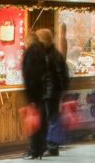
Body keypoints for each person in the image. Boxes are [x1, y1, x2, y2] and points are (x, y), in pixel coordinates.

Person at [22, 29, 70, 158]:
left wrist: (54, 90)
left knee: (51, 119)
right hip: (51, 92)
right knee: (50, 119)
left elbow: (56, 75)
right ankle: (49, 146)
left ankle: (51, 146)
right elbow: (63, 74)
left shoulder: (49, 55)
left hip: (50, 93)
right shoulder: (53, 54)